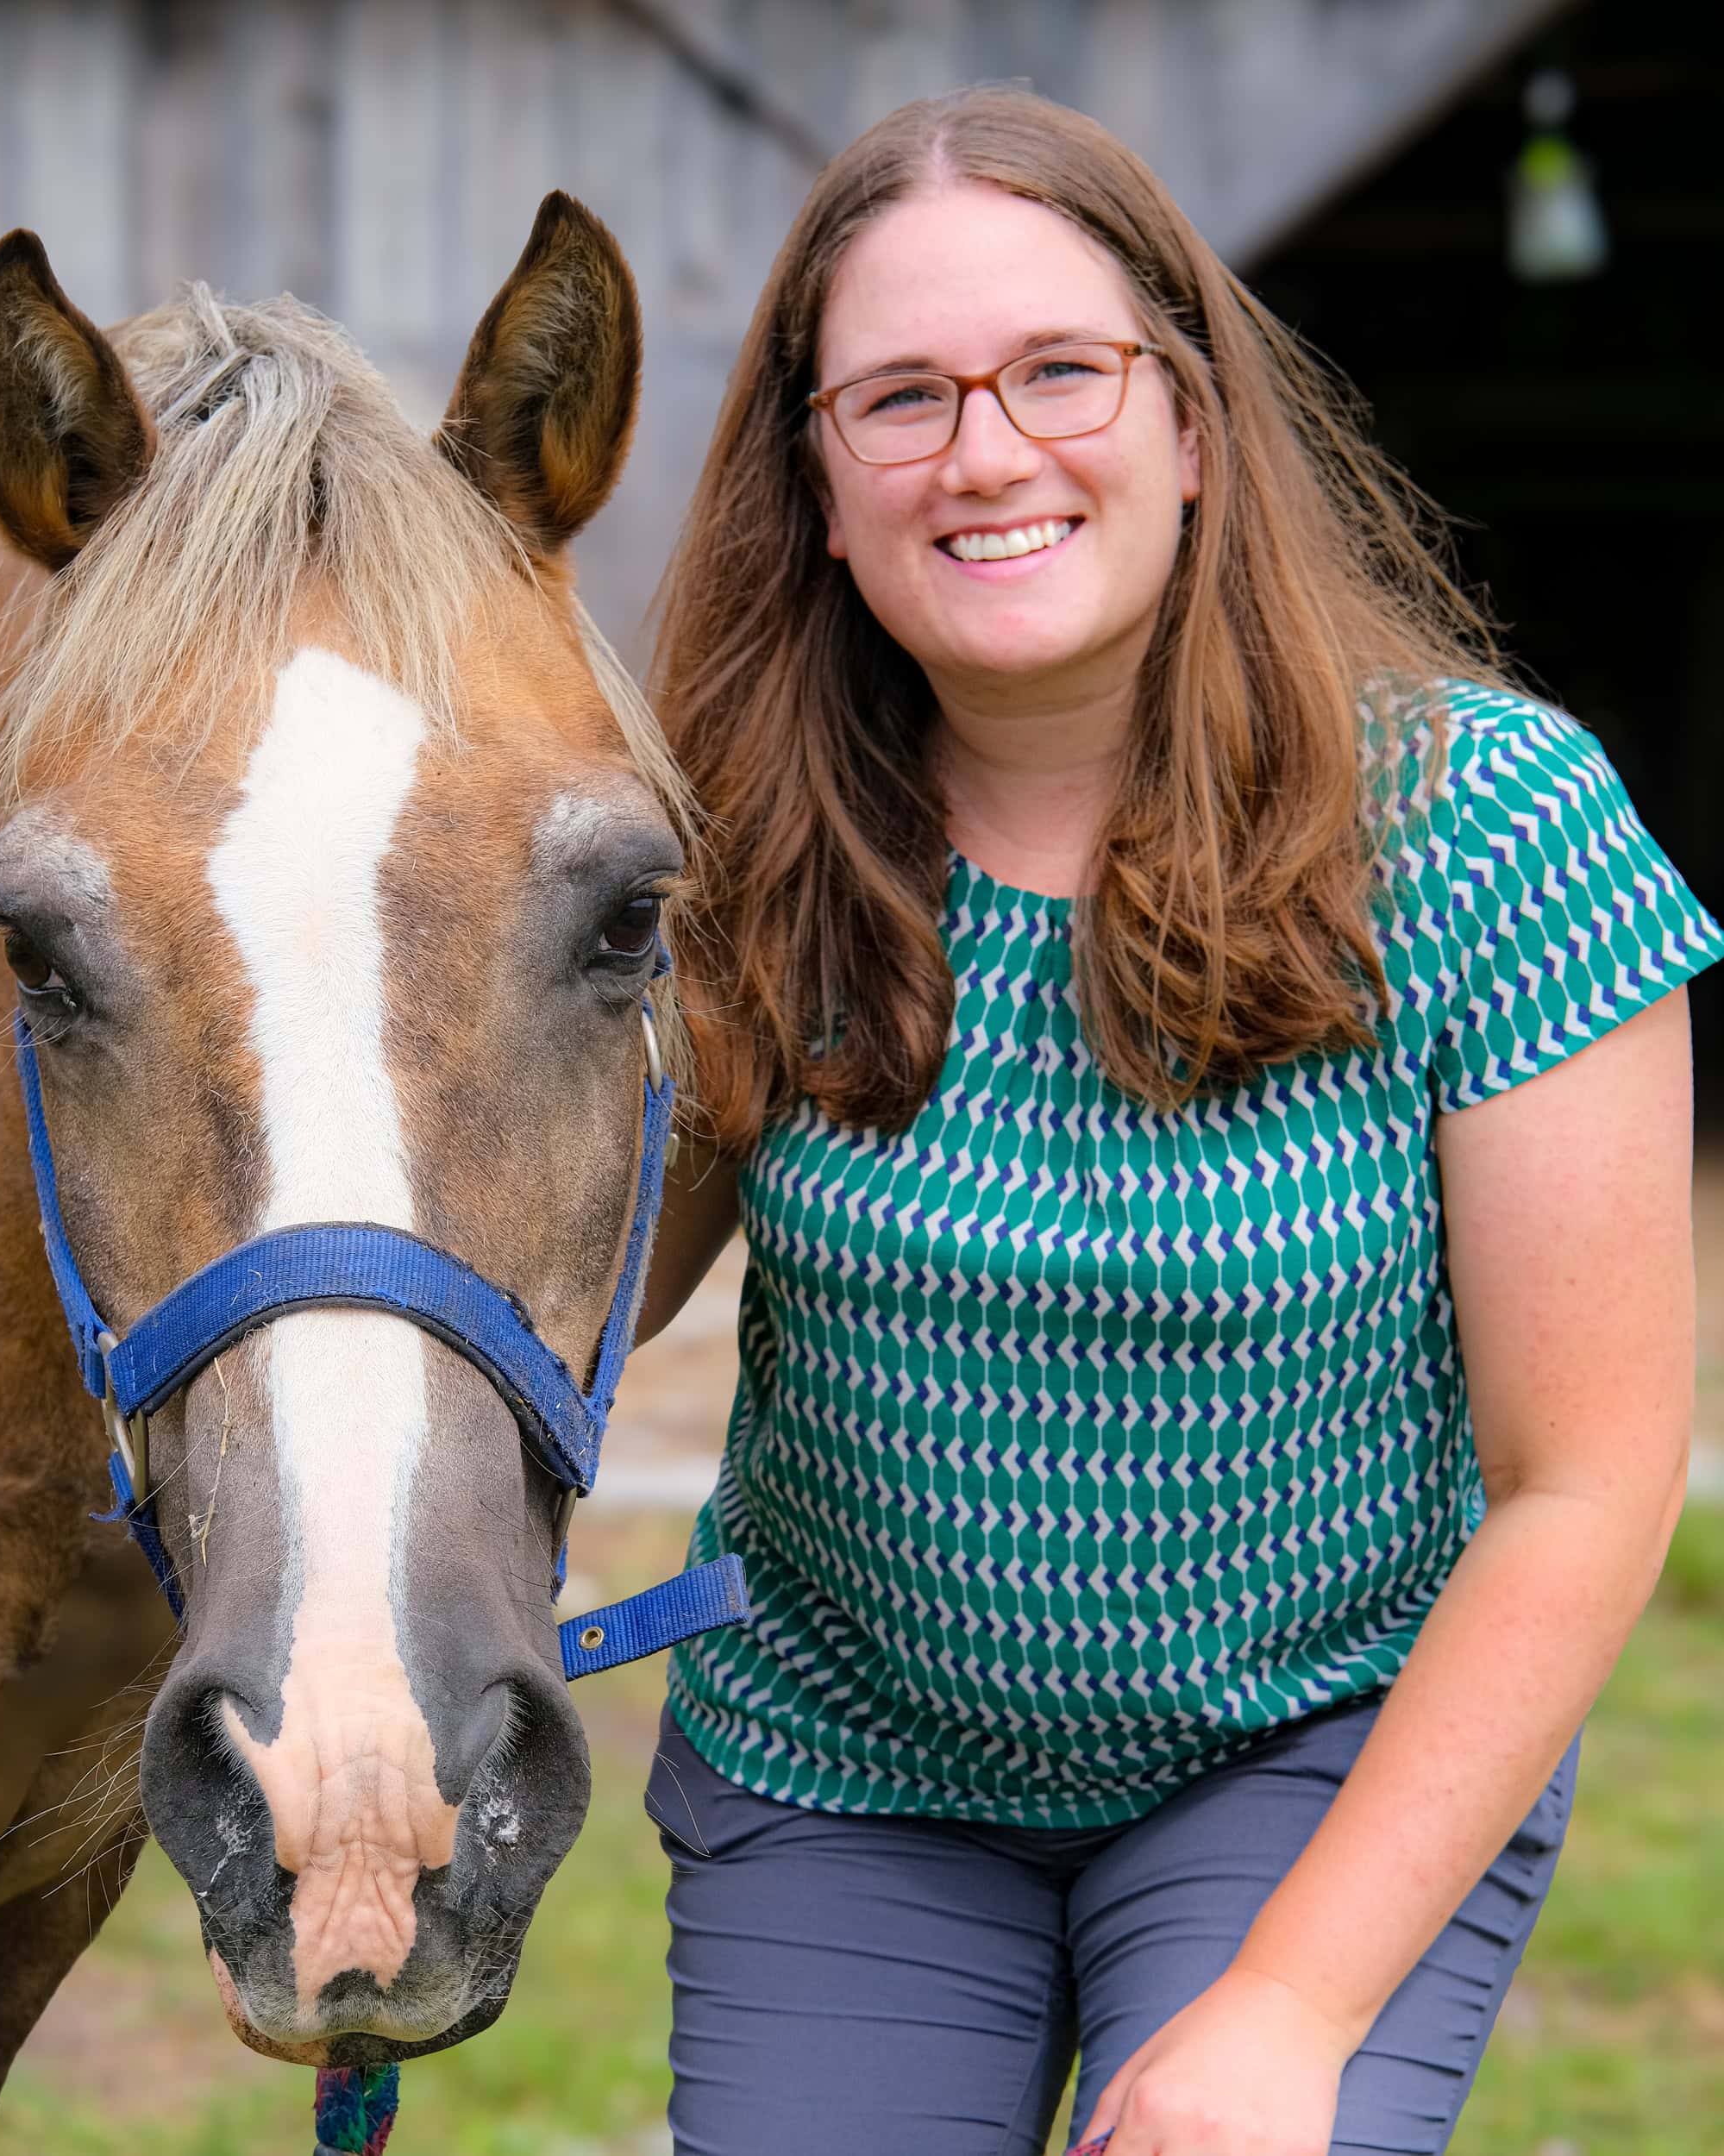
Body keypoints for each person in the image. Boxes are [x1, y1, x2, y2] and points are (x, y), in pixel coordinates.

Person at [632, 86, 1717, 2156]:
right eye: (900, 399)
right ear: (820, 483)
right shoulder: (736, 847)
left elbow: (1584, 1484)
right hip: (846, 1753)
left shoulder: (1492, 827)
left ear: (1194, 430)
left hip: (1314, 1744)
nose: (988, 451)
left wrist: (1291, 2005)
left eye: (1061, 370)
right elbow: (550, 1311)